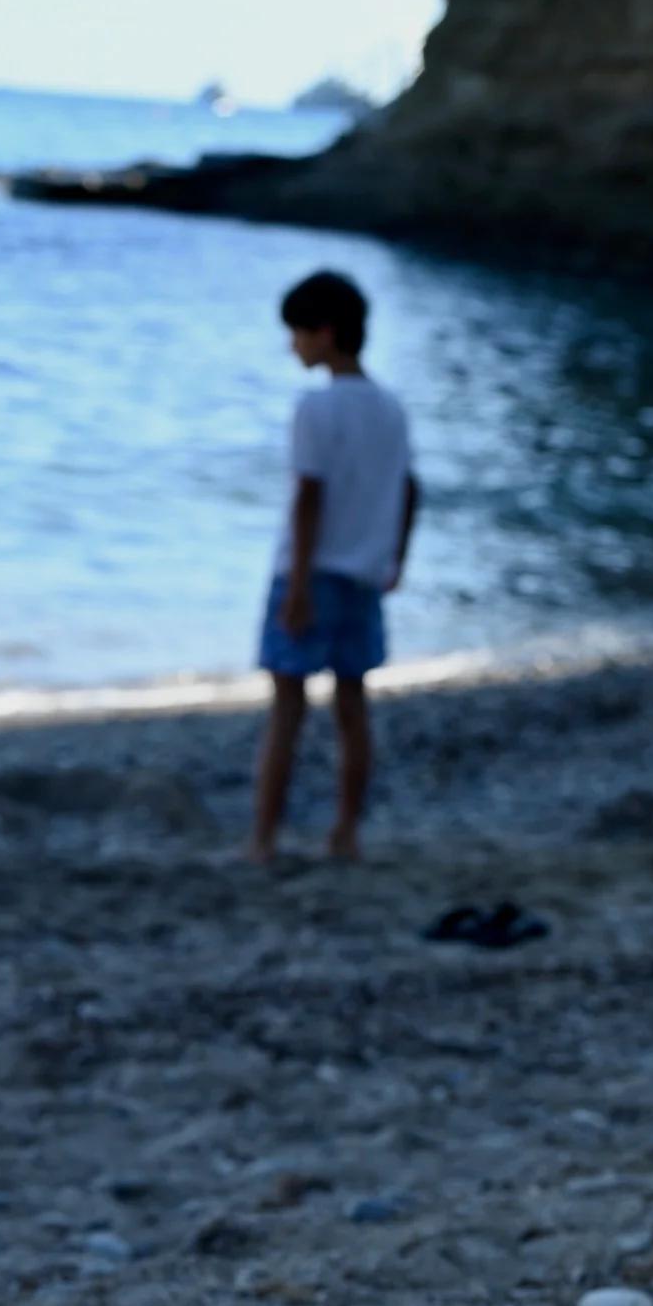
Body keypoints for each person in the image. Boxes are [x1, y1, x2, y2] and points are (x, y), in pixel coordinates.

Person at [248, 270, 419, 864]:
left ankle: (264, 840)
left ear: (324, 332)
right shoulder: (390, 407)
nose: (292, 345)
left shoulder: (316, 406)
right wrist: (396, 557)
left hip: (312, 571)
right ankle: (345, 833)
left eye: (296, 332)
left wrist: (297, 586)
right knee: (353, 707)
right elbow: (410, 487)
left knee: (287, 711)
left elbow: (309, 496)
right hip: (364, 573)